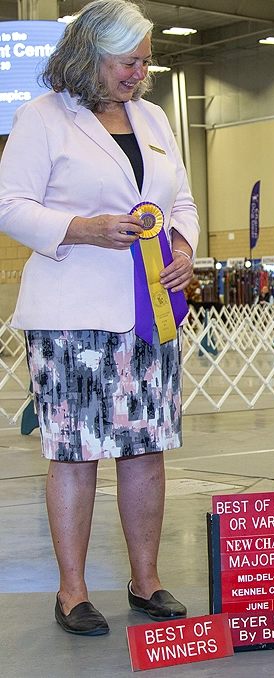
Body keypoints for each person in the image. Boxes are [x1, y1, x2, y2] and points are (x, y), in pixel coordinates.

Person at [0, 0, 197, 636]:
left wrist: (186, 250)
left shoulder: (156, 118)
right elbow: (8, 206)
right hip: (70, 316)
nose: (140, 72)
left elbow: (182, 202)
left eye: (145, 61)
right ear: (89, 54)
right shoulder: (42, 118)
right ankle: (73, 593)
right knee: (75, 454)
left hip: (149, 312)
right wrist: (80, 228)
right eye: (128, 61)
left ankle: (148, 581)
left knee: (146, 450)